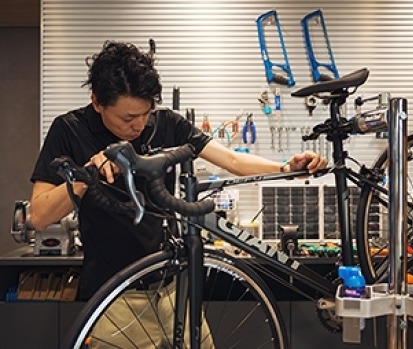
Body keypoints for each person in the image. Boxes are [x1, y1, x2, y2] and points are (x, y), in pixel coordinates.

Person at [29, 40, 327, 301]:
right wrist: (86, 176)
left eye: (146, 114)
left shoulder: (165, 124)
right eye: (129, 117)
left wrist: (288, 168)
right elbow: (39, 216)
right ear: (97, 102)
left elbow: (232, 160)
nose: (139, 126)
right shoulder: (69, 130)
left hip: (170, 286)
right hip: (112, 294)